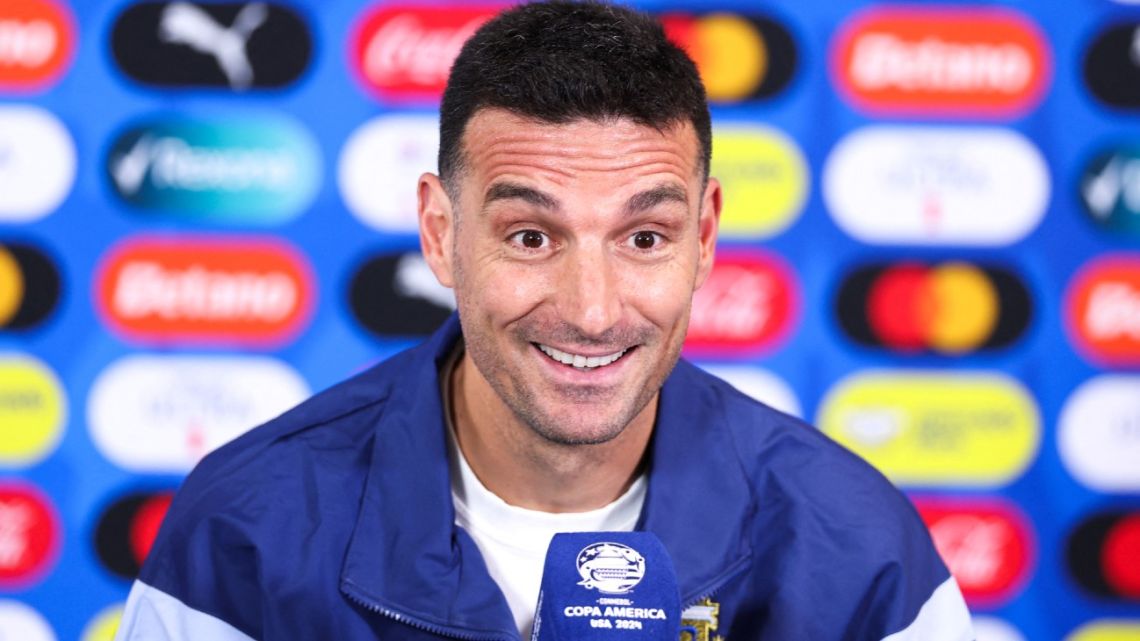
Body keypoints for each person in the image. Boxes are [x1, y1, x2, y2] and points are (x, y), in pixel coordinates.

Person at [114, 2, 974, 640]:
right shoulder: (240, 539)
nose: (592, 310)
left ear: (705, 237)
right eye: (531, 235)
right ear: (441, 236)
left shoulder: (864, 556)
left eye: (644, 236)